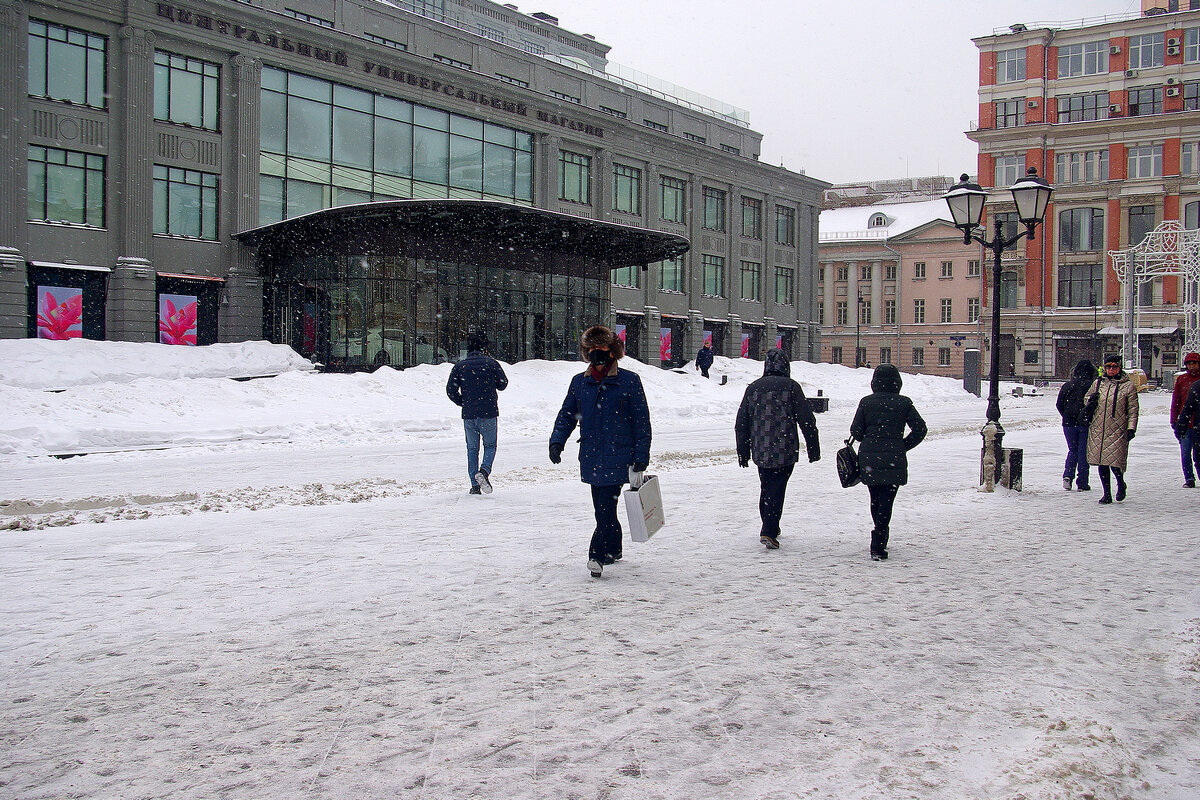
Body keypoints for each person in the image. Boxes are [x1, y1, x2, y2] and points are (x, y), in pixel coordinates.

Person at [549, 325, 651, 578]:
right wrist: (557, 441)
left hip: (620, 455)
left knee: (605, 507)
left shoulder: (629, 381)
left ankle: (596, 554)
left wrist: (641, 455)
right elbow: (568, 415)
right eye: (591, 349)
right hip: (592, 456)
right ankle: (614, 548)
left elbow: (641, 421)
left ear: (612, 350)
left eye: (601, 347)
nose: (597, 352)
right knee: (603, 507)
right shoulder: (580, 382)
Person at [734, 349, 820, 550]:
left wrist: (743, 451)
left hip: (760, 449)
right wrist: (813, 448)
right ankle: (769, 531)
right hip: (785, 448)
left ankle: (770, 524)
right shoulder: (791, 387)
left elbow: (742, 423)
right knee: (777, 488)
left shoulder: (753, 388)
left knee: (767, 486)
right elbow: (807, 420)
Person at [849, 364, 927, 561]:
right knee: (887, 500)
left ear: (874, 382)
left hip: (869, 459)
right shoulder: (904, 403)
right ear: (897, 382)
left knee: (875, 497)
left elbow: (856, 432)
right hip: (894, 458)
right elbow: (920, 429)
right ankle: (880, 539)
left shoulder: (866, 402)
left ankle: (878, 534)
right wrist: (902, 446)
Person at [445, 332, 508, 495]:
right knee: (490, 446)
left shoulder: (460, 366)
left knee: (472, 449)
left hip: (469, 414)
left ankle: (475, 485)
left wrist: (463, 402)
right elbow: (503, 384)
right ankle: (484, 471)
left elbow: (450, 390)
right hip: (488, 412)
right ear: (483, 349)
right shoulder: (491, 363)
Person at [1084, 354, 1140, 505]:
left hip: (1117, 428)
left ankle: (1120, 483)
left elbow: (1133, 409)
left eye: (1114, 367)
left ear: (1119, 368)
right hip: (1098, 427)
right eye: (1108, 367)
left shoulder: (1128, 386)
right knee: (1102, 461)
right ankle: (1106, 493)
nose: (1110, 370)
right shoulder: (1098, 383)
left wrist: (1131, 428)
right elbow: (1087, 398)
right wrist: (1091, 400)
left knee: (1114, 462)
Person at [1056, 359, 1095, 491]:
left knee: (1073, 450)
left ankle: (1067, 476)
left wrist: (1066, 416)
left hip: (1068, 423)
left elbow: (1059, 404)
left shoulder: (1068, 385)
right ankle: (1082, 482)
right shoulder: (1093, 386)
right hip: (1086, 423)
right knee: (1083, 452)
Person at [1170, 352, 1200, 488]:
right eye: (1189, 364)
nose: (1192, 366)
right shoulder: (1182, 380)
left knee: (1198, 454)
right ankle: (1189, 478)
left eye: (1194, 363)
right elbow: (1176, 400)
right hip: (1185, 421)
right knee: (1185, 452)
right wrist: (1174, 420)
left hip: (1197, 421)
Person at [1174, 374, 1200, 478]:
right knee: (1191, 455)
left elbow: (1187, 409)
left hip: (1196, 426)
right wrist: (1179, 425)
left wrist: (1180, 426)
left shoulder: (1196, 386)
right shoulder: (1195, 386)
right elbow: (1183, 406)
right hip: (1195, 426)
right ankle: (1189, 478)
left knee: (1196, 457)